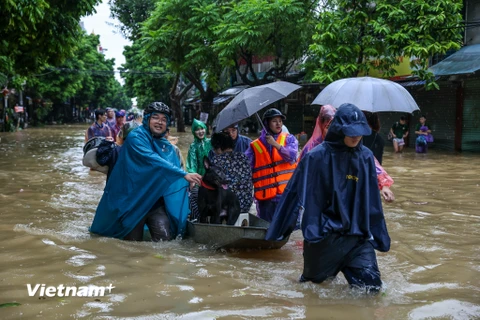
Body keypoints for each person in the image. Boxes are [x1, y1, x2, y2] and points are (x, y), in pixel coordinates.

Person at [266, 103, 391, 293]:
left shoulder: (365, 156)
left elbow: (372, 200)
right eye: (351, 131)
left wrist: (379, 235)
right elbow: (293, 193)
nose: (356, 136)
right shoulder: (315, 156)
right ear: (339, 128)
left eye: (360, 131)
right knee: (311, 290)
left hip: (357, 237)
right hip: (324, 238)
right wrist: (279, 231)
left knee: (372, 290)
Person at [90, 102, 202, 242]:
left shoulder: (165, 145)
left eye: (164, 119)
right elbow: (152, 159)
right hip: (133, 202)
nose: (160, 122)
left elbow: (174, 168)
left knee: (165, 242)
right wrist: (183, 174)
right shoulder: (135, 138)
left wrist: (186, 179)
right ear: (147, 118)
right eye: (156, 117)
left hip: (155, 201)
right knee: (132, 245)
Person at [300, 106, 394, 202]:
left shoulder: (353, 148)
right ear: (321, 126)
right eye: (328, 127)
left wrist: (384, 185)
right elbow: (301, 179)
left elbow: (373, 166)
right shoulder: (312, 151)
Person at [245, 108, 298, 222]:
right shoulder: (255, 145)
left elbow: (292, 156)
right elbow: (245, 166)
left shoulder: (289, 139)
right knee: (267, 228)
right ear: (267, 124)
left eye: (280, 120)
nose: (278, 123)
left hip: (285, 194)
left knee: (287, 228)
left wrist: (276, 145)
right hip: (266, 198)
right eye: (274, 121)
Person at [211, 132, 253, 213]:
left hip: (226, 207)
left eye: (214, 149)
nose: (214, 151)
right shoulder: (243, 157)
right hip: (245, 205)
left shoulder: (217, 160)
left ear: (219, 148)